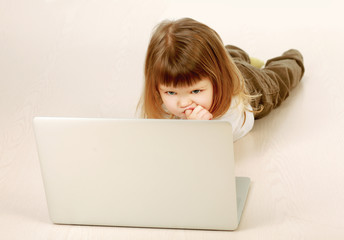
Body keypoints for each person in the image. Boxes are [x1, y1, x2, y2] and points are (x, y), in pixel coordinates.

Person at [138, 18, 305, 141]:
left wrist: (204, 131)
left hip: (251, 85)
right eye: (171, 92)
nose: (182, 103)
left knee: (278, 79)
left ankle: (292, 59)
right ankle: (235, 56)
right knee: (228, 55)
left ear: (219, 83)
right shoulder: (163, 95)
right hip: (225, 67)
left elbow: (239, 130)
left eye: (195, 91)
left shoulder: (231, 106)